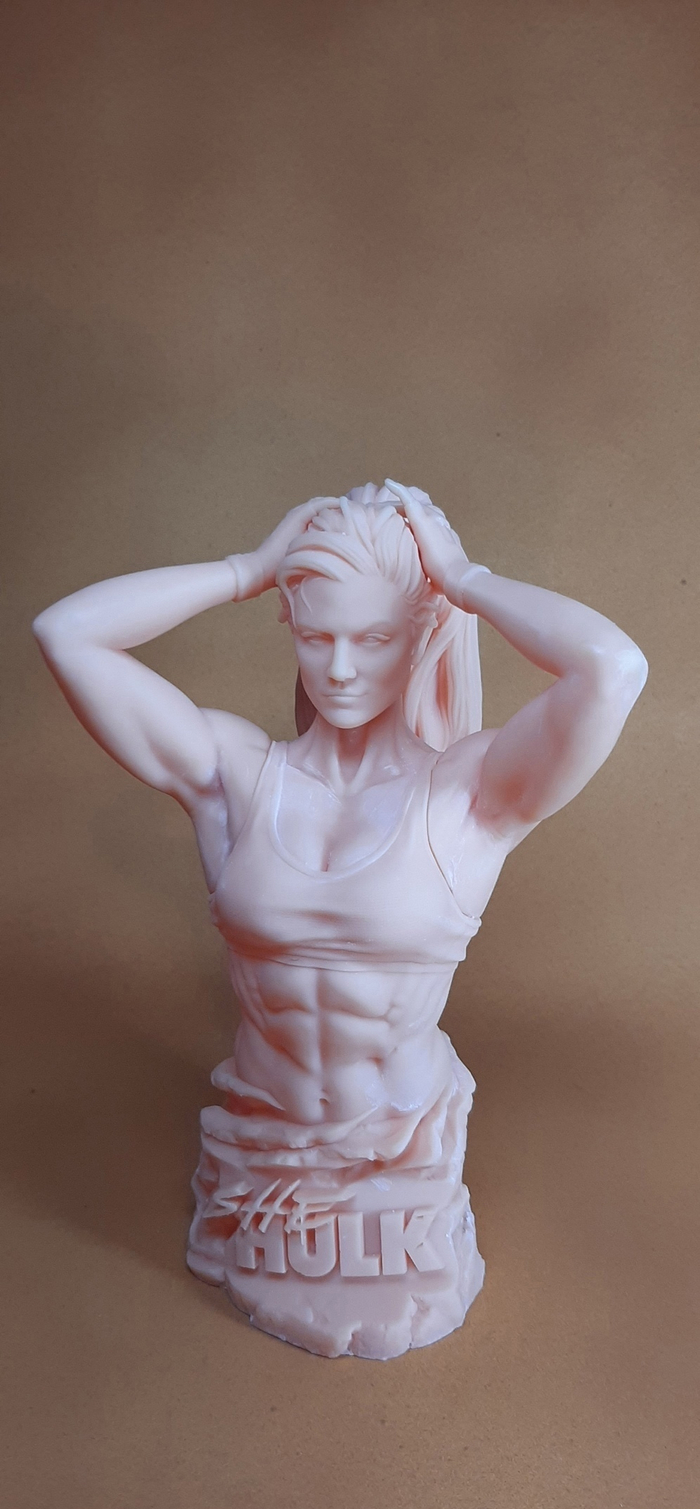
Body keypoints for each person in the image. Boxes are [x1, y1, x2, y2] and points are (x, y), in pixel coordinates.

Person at [33, 479, 648, 1355]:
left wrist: (463, 580)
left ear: (421, 635)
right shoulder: (236, 777)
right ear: (290, 627)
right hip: (264, 1137)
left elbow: (612, 669)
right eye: (318, 637)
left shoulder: (467, 796)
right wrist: (246, 570)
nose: (342, 669)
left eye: (374, 638)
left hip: (396, 1146)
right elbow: (67, 633)